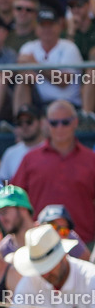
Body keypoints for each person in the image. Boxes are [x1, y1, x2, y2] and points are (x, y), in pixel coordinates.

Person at [11, 99, 95, 244]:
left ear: (75, 122)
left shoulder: (91, 159)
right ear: (46, 124)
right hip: (40, 243)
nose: (60, 127)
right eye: (54, 123)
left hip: (83, 242)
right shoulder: (30, 159)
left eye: (65, 122)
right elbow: (15, 200)